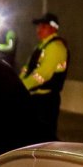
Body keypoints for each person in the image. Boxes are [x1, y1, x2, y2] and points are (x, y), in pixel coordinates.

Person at [20, 12, 70, 140]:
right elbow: (27, 68)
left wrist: (22, 87)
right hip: (35, 97)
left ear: (53, 28)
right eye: (38, 26)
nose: (39, 29)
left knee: (44, 137)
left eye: (43, 26)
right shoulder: (41, 46)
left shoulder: (56, 47)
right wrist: (18, 82)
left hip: (46, 99)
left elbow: (43, 74)